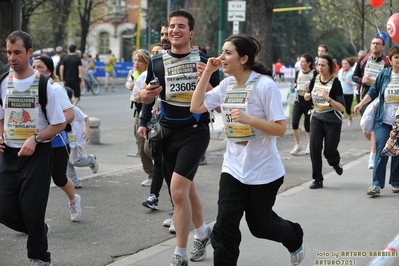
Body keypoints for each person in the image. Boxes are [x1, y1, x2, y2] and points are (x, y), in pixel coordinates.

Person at [190, 33, 305, 266]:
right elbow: (196, 106)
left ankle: (293, 235)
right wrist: (208, 74)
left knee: (261, 226)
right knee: (224, 227)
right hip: (233, 168)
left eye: (227, 53)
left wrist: (248, 119)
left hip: (263, 171)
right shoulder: (226, 84)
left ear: (243, 59)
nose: (221, 57)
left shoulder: (265, 85)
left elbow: (280, 129)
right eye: (221, 52)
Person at [140, 9, 220, 265]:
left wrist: (206, 83)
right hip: (166, 132)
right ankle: (203, 232)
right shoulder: (157, 62)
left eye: (181, 26)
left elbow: (218, 103)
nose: (175, 30)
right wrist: (146, 97)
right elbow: (146, 96)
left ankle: (180, 253)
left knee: (176, 191)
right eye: (172, 26)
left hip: (195, 131)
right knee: (188, 189)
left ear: (191, 32)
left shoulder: (205, 62)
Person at [0, 30, 66, 266]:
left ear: (29, 53)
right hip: (8, 154)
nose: (12, 57)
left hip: (37, 155)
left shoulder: (44, 84)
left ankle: (40, 257)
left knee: (32, 209)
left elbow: (59, 122)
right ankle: (38, 228)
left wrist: (35, 139)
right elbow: (1, 116)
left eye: (17, 52)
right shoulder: (3, 81)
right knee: (4, 209)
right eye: (8, 52)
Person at [32, 56, 83, 222]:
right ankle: (33, 219)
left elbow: (70, 114)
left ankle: (73, 200)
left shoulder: (56, 87)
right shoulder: (30, 87)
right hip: (36, 140)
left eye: (40, 66)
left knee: (59, 178)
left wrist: (52, 128)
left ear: (49, 70)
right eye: (33, 65)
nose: (35, 69)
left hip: (57, 141)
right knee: (36, 180)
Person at [140, 22, 175, 233]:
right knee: (163, 164)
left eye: (167, 33)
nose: (164, 37)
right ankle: (158, 198)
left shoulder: (190, 61)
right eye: (162, 33)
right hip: (161, 124)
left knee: (177, 175)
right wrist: (143, 122)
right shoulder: (156, 63)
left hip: (187, 128)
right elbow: (149, 95)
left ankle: (178, 212)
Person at [353, 46, 399, 198]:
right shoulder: (384, 74)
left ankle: (396, 182)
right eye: (396, 58)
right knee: (382, 149)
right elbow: (373, 91)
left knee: (397, 152)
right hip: (383, 119)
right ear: (391, 60)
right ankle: (376, 184)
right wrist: (360, 103)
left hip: (398, 122)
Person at [304, 54, 345, 189]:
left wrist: (328, 99)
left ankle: (335, 162)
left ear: (329, 67)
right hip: (317, 118)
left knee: (329, 151)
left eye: (323, 65)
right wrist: (307, 95)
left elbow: (342, 108)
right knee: (314, 148)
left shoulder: (336, 83)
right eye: (318, 65)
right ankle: (318, 179)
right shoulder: (314, 79)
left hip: (333, 120)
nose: (320, 68)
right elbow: (308, 94)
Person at [352, 37, 390, 169]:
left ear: (383, 47)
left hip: (381, 99)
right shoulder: (363, 60)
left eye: (378, 44)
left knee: (374, 128)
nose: (375, 46)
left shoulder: (387, 62)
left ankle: (372, 157)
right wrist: (361, 79)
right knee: (366, 129)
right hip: (365, 97)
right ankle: (381, 144)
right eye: (373, 43)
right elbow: (354, 76)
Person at [65, 86, 99, 188]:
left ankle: (91, 160)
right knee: (68, 162)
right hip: (66, 140)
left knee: (74, 161)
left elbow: (86, 118)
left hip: (76, 140)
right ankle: (75, 182)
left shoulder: (74, 109)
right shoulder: (60, 110)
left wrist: (87, 131)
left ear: (69, 98)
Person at [128, 49, 153, 187]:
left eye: (140, 61)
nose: (136, 63)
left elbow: (140, 97)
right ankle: (151, 173)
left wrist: (138, 95)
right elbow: (135, 97)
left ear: (146, 63)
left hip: (151, 113)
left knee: (148, 148)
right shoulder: (133, 74)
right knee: (140, 146)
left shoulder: (147, 75)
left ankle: (161, 170)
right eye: (135, 60)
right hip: (139, 113)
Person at [290, 53, 317, 156]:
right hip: (298, 100)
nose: (300, 63)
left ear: (309, 63)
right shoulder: (298, 72)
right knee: (294, 123)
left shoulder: (314, 73)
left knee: (307, 125)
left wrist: (310, 87)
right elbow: (295, 83)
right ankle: (298, 144)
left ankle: (310, 144)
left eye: (303, 62)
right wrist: (294, 86)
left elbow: (318, 86)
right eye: (300, 61)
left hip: (309, 102)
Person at [337, 57, 355, 126]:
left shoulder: (352, 73)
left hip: (349, 93)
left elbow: (356, 83)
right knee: (340, 109)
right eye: (343, 64)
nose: (344, 65)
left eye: (346, 63)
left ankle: (350, 117)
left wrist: (351, 83)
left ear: (349, 64)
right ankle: (340, 124)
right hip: (341, 92)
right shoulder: (340, 71)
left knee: (347, 109)